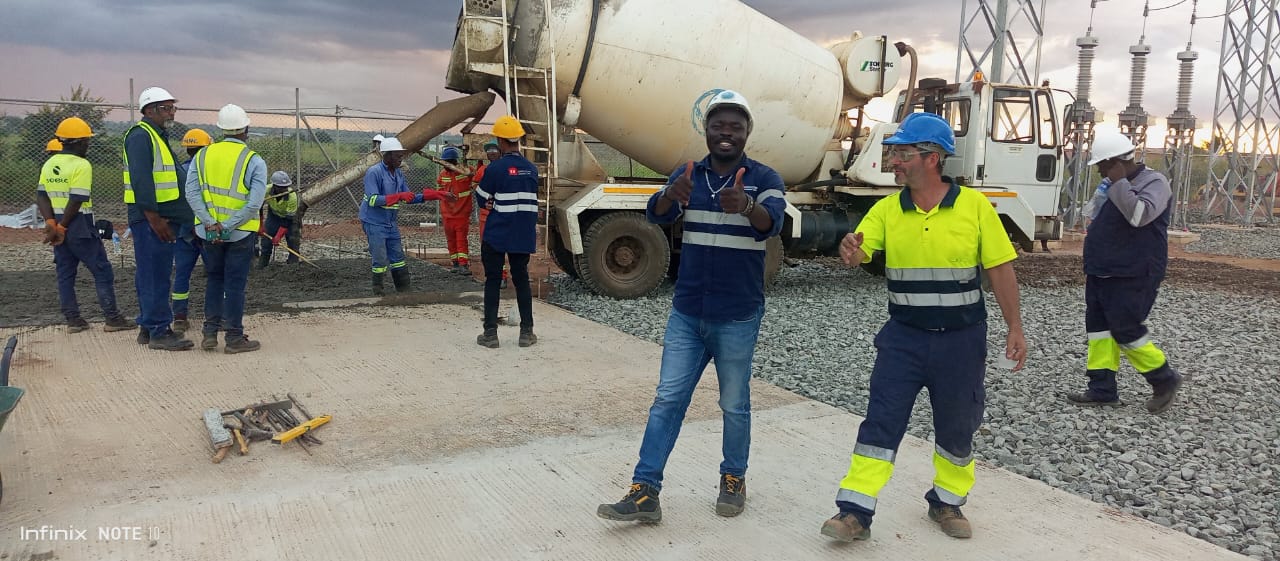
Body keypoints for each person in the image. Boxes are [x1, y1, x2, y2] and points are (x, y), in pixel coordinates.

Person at [819, 112, 1026, 542]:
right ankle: (854, 511)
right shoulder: (886, 210)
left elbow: (1000, 268)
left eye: (902, 154)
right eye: (893, 153)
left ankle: (947, 502)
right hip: (903, 338)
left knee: (958, 424)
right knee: (881, 421)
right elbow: (859, 253)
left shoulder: (974, 207)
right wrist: (850, 250)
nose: (893, 161)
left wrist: (1015, 327)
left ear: (932, 158)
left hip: (961, 342)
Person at [596, 90, 786, 523]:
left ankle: (733, 478)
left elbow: (772, 223)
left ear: (747, 132)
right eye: (718, 125)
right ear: (706, 130)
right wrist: (669, 195)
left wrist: (748, 206)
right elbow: (656, 214)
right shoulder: (688, 175)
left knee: (734, 404)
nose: (726, 133)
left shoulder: (765, 178)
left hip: (737, 315)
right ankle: (645, 492)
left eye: (735, 126)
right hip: (688, 313)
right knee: (667, 400)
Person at [1066, 130, 1182, 413]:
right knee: (1099, 331)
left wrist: (1119, 183)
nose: (1100, 172)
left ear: (1117, 162)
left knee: (1125, 328)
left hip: (1134, 271)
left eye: (1103, 165)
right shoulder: (1110, 184)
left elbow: (1139, 215)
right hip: (1103, 270)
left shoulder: (1154, 183)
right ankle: (1101, 388)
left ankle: (1164, 379)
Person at [36, 117, 135, 334]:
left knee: (65, 273)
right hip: (78, 224)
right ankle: (112, 318)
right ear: (79, 142)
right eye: (87, 141)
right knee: (102, 271)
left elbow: (41, 195)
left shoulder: (49, 163)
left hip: (58, 225)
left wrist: (51, 222)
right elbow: (77, 199)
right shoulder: (82, 165)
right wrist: (63, 227)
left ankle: (73, 320)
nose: (88, 145)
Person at [184, 104, 267, 354]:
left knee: (215, 280)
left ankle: (209, 333)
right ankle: (234, 337)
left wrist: (210, 223)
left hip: (209, 232)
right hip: (240, 233)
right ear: (246, 128)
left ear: (221, 129)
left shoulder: (201, 156)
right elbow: (254, 203)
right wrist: (227, 226)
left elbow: (191, 193)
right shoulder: (254, 160)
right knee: (234, 285)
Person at [123, 86, 194, 351]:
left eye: (173, 108)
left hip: (160, 217)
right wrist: (154, 219)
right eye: (166, 108)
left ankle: (148, 325)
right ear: (149, 110)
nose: (171, 113)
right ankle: (159, 331)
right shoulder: (141, 136)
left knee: (153, 273)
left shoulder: (155, 135)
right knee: (155, 275)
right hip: (152, 219)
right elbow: (141, 180)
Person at [473, 116, 540, 349]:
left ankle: (490, 334)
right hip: (523, 233)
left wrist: (491, 201)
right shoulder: (531, 169)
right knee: (521, 280)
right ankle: (526, 333)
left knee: (493, 280)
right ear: (518, 139)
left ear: (501, 141)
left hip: (497, 233)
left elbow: (481, 197)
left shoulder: (495, 169)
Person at [360, 137, 456, 295]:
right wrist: (398, 196)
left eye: (401, 154)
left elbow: (408, 197)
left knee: (397, 256)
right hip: (374, 221)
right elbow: (373, 200)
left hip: (390, 222)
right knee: (380, 258)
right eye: (397, 155)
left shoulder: (398, 173)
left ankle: (404, 290)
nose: (401, 158)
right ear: (387, 155)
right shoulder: (374, 172)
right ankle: (378, 292)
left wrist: (437, 195)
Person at [171, 128, 213, 335]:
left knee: (182, 274)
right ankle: (215, 317)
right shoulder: (209, 172)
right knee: (215, 274)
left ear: (188, 149)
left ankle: (179, 317)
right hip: (206, 230)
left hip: (184, 233)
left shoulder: (179, 171)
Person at [474, 141, 510, 288]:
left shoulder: (505, 169)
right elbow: (476, 187)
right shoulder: (483, 170)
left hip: (500, 214)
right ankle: (492, 277)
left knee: (499, 246)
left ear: (500, 152)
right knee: (487, 248)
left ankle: (502, 277)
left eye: (494, 150)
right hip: (485, 216)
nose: (492, 153)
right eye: (489, 151)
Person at [437, 146, 474, 273]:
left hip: (462, 213)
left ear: (454, 161)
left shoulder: (465, 171)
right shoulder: (442, 175)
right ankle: (455, 263)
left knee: (461, 239)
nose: (446, 164)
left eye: (448, 162)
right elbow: (440, 191)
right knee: (451, 239)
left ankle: (463, 264)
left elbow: (475, 176)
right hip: (447, 214)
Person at [258, 170, 302, 268]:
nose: (284, 189)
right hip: (273, 215)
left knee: (293, 241)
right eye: (281, 187)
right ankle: (262, 265)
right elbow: (258, 207)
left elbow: (287, 220)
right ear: (274, 186)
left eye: (285, 187)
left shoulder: (292, 196)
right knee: (266, 240)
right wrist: (260, 226)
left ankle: (293, 266)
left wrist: (278, 236)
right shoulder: (265, 190)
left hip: (290, 219)